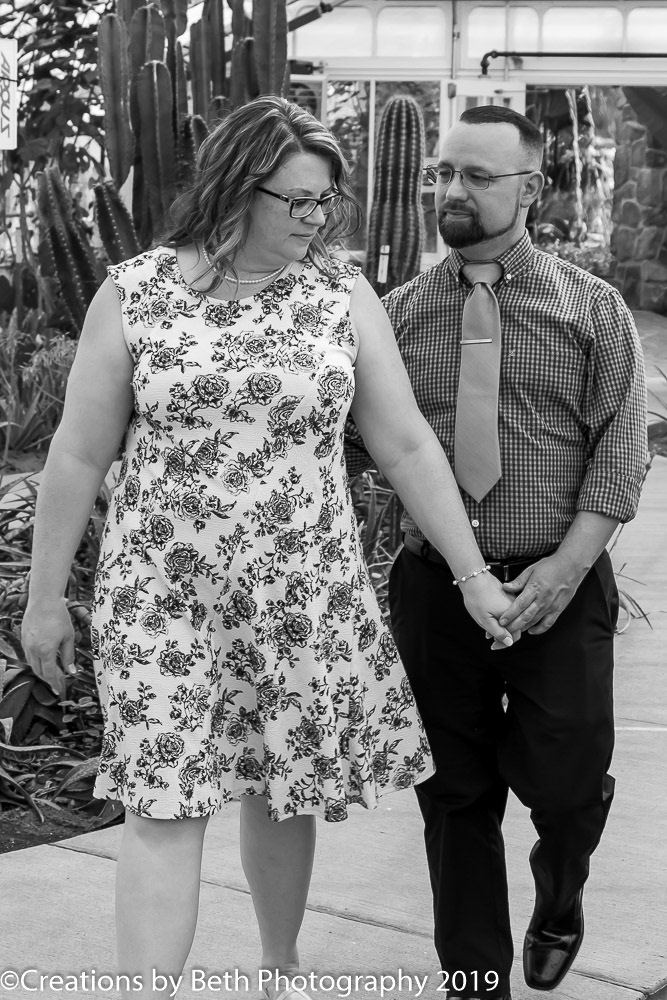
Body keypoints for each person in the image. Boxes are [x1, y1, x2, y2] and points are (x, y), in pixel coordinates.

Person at [21, 96, 519, 1000]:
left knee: (281, 787)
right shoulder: (135, 292)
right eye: (297, 200)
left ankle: (279, 968)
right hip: (161, 600)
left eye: (326, 200)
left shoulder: (340, 294)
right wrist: (44, 597)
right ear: (234, 187)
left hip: (300, 594)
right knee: (162, 804)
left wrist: (472, 574)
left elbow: (406, 444)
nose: (317, 218)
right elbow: (79, 453)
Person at [346, 104, 647, 1000]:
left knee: (566, 779)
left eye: (478, 176)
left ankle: (560, 895)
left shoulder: (590, 307)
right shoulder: (395, 317)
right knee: (453, 793)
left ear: (531, 189)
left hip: (559, 580)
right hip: (437, 589)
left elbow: (621, 449)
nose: (453, 190)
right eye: (443, 172)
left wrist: (564, 569)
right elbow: (356, 439)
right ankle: (474, 975)